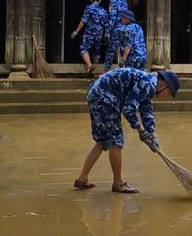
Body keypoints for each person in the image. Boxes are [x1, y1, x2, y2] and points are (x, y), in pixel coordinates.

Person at [73, 66, 180, 194]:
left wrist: (152, 134)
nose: (166, 96)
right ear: (164, 84)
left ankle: (82, 179)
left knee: (103, 141)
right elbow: (128, 109)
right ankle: (118, 183)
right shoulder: (147, 83)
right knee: (116, 141)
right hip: (104, 97)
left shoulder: (151, 84)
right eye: (168, 93)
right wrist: (141, 131)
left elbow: (146, 108)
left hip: (99, 95)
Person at [72, 0, 106, 76]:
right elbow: (107, 24)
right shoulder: (103, 11)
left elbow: (84, 20)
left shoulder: (89, 8)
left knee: (83, 48)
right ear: (100, 0)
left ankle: (90, 66)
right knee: (96, 52)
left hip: (89, 34)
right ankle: (95, 73)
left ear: (91, 0)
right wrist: (107, 34)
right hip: (99, 34)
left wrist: (76, 31)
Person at [102, 0, 131, 68]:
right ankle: (124, 68)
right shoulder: (123, 0)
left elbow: (112, 16)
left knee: (111, 50)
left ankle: (106, 70)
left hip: (116, 28)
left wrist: (108, 30)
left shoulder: (113, 1)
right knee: (123, 49)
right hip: (124, 27)